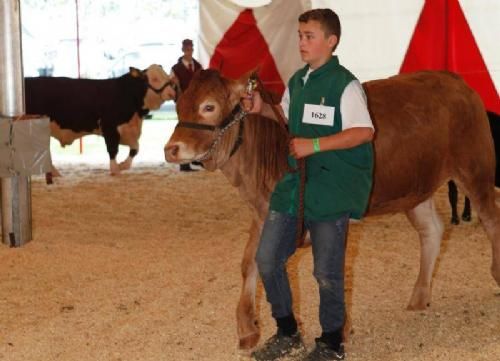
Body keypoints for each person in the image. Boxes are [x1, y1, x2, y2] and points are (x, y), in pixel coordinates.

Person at [243, 8, 374, 361]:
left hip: (332, 187)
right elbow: (287, 117)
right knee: (267, 259)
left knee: (326, 272)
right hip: (296, 182)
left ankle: (332, 343)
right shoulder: (298, 81)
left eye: (309, 36)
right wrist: (261, 109)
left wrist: (314, 145)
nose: (302, 42)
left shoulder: (345, 84)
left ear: (330, 42)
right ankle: (288, 332)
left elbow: (364, 132)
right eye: (300, 35)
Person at [171, 38, 203, 171]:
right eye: (187, 49)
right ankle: (183, 163)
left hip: (196, 104)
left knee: (197, 131)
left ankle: (196, 158)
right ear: (183, 50)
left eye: (191, 49)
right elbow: (172, 86)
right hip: (183, 104)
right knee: (184, 133)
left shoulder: (198, 66)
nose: (189, 52)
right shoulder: (176, 69)